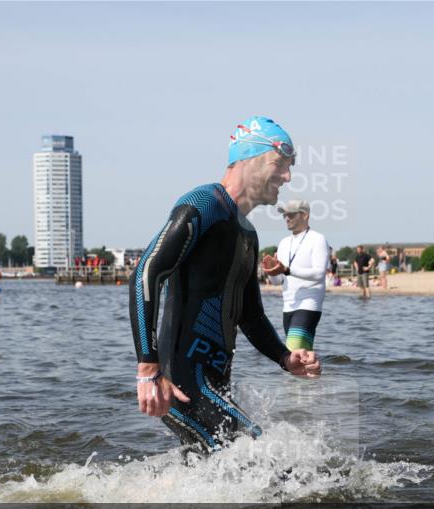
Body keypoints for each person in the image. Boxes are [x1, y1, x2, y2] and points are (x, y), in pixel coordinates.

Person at [128, 116, 321, 454]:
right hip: (181, 385)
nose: (288, 177)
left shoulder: (247, 233)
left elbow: (251, 315)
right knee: (264, 461)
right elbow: (147, 272)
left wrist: (285, 358)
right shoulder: (204, 204)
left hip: (214, 384)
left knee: (225, 481)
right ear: (249, 158)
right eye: (281, 164)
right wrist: (148, 369)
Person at [261, 200, 328, 351]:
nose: (286, 218)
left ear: (305, 215)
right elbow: (278, 281)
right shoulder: (284, 243)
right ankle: (318, 374)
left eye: (291, 214)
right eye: (285, 215)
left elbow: (319, 273)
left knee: (293, 351)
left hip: (309, 303)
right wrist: (271, 271)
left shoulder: (317, 239)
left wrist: (287, 270)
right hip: (288, 306)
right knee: (301, 356)